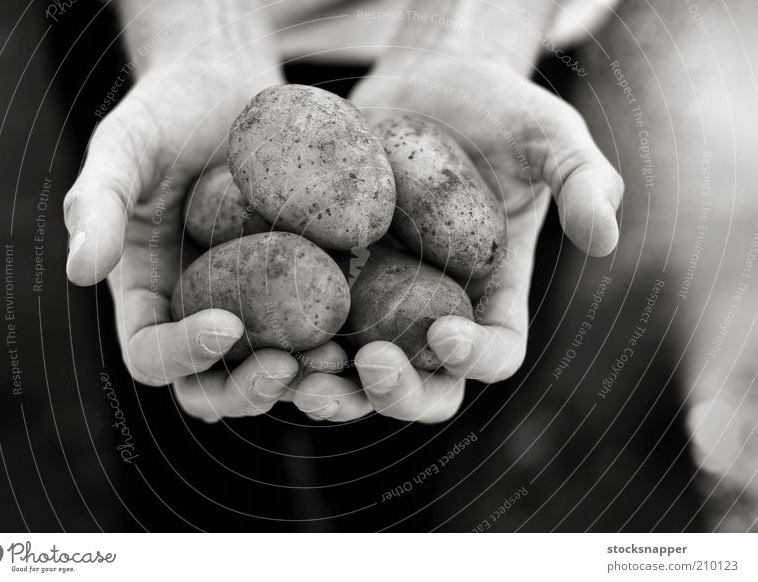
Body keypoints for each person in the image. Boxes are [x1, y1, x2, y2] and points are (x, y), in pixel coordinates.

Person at [63, 0, 758, 529]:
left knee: (423, 452)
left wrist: (471, 27)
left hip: (491, 51)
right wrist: (196, 28)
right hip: (170, 44)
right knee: (187, 461)